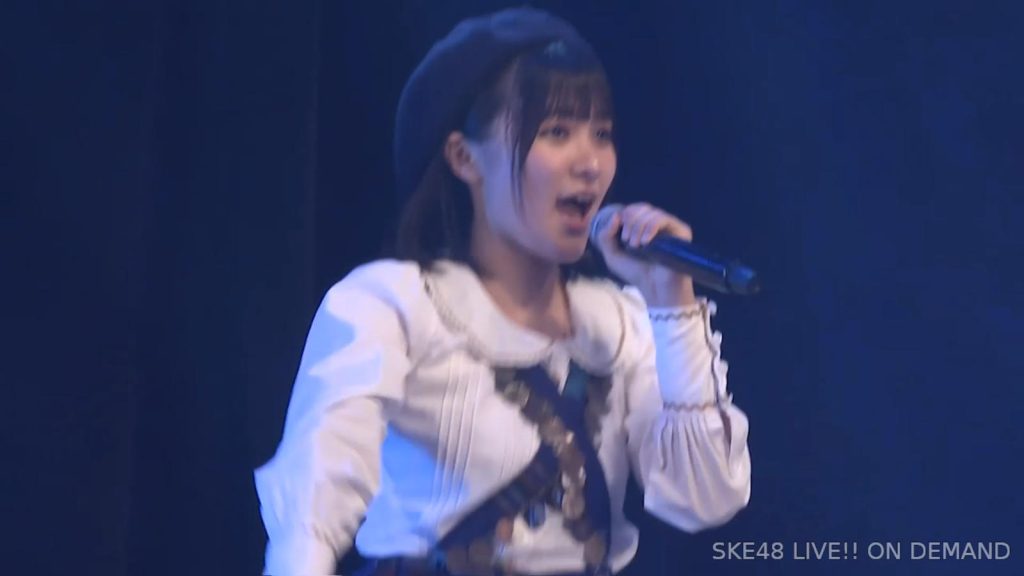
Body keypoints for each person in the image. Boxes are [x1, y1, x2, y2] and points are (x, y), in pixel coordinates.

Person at [255, 7, 751, 576]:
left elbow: (706, 498)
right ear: (464, 157)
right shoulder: (394, 305)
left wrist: (671, 301)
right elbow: (312, 513)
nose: (591, 163)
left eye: (602, 134)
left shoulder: (620, 324)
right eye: (557, 132)